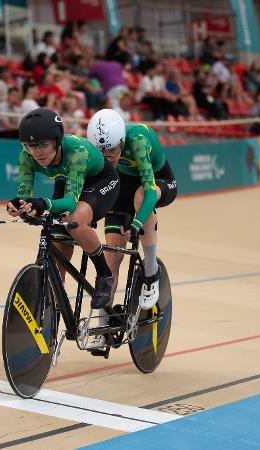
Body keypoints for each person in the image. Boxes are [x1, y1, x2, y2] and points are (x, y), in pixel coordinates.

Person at [7, 108, 120, 311]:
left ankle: (105, 274)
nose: (36, 152)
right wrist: (19, 204)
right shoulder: (27, 156)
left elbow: (69, 202)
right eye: (30, 146)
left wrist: (43, 203)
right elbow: (24, 193)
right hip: (67, 179)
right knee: (58, 242)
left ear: (57, 141)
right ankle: (56, 312)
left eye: (43, 145)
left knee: (73, 221)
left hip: (100, 181)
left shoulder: (76, 150)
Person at [87, 109, 177, 339]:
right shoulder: (97, 151)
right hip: (122, 185)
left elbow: (147, 192)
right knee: (112, 255)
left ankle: (150, 272)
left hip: (158, 182)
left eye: (113, 150)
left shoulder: (137, 140)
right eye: (101, 152)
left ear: (122, 141)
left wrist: (136, 223)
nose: (107, 156)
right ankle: (103, 325)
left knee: (140, 196)